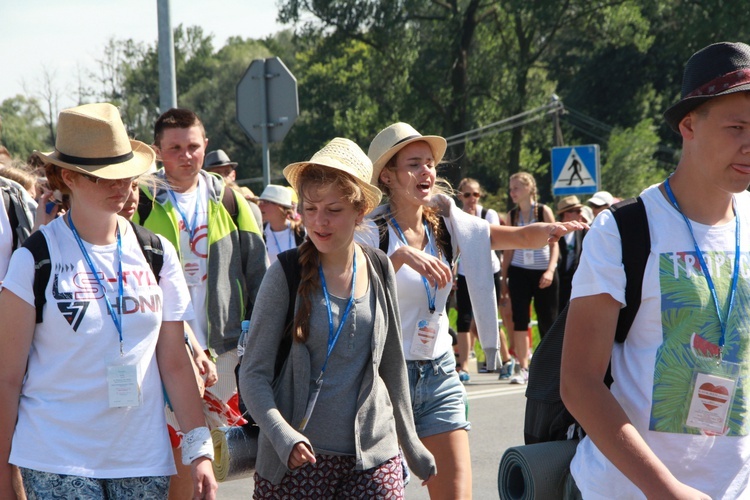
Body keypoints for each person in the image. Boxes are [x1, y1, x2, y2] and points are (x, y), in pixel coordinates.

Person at [561, 41, 750, 499]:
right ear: (688, 124)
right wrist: (665, 491)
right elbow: (579, 383)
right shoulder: (622, 230)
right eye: (736, 127)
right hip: (630, 490)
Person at [0, 103, 217, 499]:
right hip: (56, 458)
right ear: (69, 177)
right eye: (105, 177)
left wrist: (199, 448)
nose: (121, 185)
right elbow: (7, 377)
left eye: (126, 173)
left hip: (142, 457)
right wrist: (2, 477)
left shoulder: (157, 253)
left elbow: (173, 362)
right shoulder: (32, 259)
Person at [361, 122, 586, 499]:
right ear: (387, 175)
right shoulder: (370, 231)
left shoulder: (450, 227)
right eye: (414, 164)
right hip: (382, 380)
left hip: (438, 375)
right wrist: (398, 258)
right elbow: (353, 286)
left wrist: (547, 229)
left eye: (429, 163)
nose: (426, 172)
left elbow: (506, 237)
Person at [240, 137, 436, 497]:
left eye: (333, 210)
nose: (319, 222)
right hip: (298, 462)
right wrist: (284, 437)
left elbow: (391, 363)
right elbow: (253, 376)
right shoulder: (284, 274)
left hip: (374, 456)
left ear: (359, 211)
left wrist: (410, 441)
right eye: (310, 208)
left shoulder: (378, 266)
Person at [133, 108, 267, 473]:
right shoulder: (142, 200)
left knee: (223, 456)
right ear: (158, 150)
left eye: (193, 146)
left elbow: (259, 273)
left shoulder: (229, 199)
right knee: (177, 454)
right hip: (167, 348)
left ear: (205, 145)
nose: (186, 155)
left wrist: (258, 336)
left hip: (223, 350)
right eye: (175, 147)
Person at [119, 177, 219, 500]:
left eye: (134, 185)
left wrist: (195, 348)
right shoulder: (57, 244)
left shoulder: (152, 247)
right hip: (94, 414)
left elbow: (167, 314)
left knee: (177, 464)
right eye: (116, 183)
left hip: (156, 382)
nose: (128, 195)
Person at [501, 172, 559, 385]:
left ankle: (550, 365)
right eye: (511, 188)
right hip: (519, 271)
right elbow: (508, 251)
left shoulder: (543, 211)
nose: (512, 192)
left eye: (516, 187)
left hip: (543, 270)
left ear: (528, 189)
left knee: (547, 319)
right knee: (519, 320)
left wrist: (550, 270)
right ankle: (523, 366)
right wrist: (504, 280)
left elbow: (555, 245)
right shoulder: (512, 216)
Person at [454, 178, 514, 382]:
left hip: (488, 271)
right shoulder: (455, 215)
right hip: (463, 271)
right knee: (464, 320)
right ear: (460, 196)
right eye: (467, 194)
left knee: (487, 317)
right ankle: (463, 367)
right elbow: (453, 247)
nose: (472, 199)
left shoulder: (489, 214)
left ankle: (506, 359)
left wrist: (473, 223)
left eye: (476, 194)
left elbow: (490, 240)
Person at [204, 149, 263, 228]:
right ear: (205, 177)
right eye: (216, 174)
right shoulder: (200, 204)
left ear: (233, 175)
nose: (223, 177)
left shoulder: (248, 204)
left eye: (227, 172)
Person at [258, 184, 305, 265]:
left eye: (266, 202)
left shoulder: (300, 231)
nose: (260, 206)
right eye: (261, 202)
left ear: (280, 206)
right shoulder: (260, 232)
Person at [555, 195, 588, 307]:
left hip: (575, 281)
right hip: (557, 281)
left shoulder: (582, 232)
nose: (581, 214)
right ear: (567, 214)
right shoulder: (554, 231)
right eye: (577, 211)